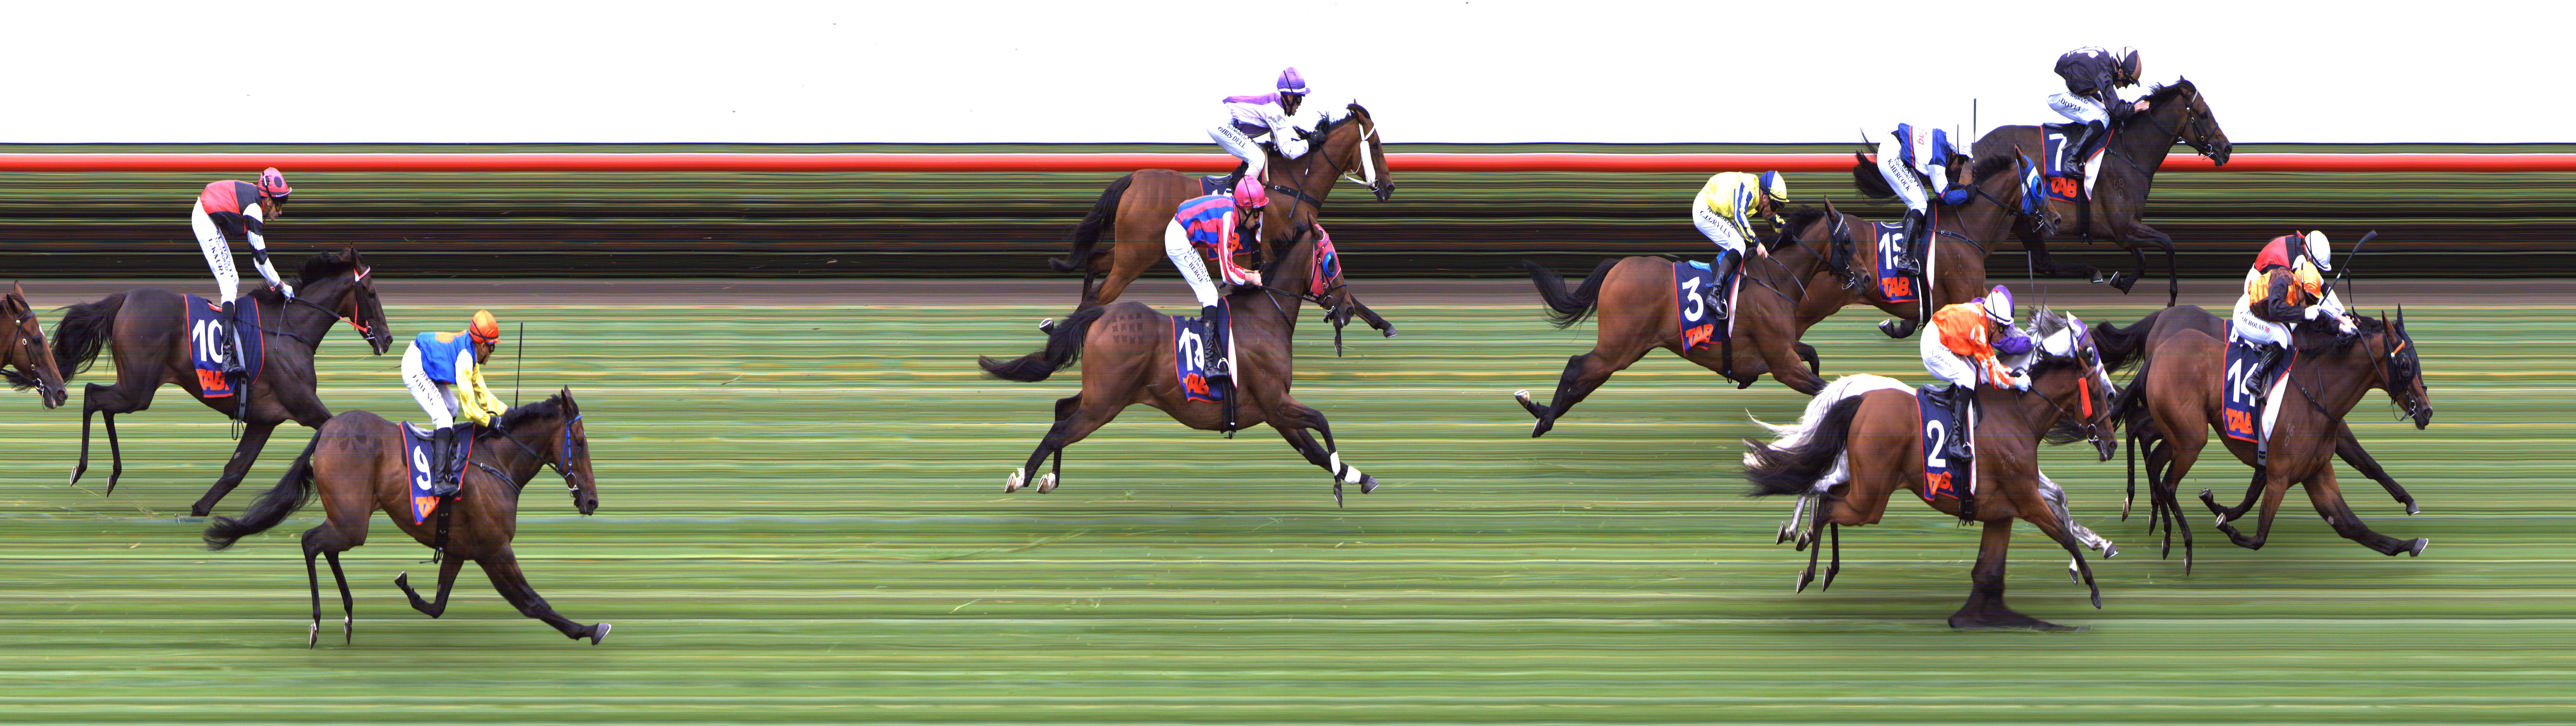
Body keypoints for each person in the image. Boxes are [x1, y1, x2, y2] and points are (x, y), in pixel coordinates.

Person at [1163, 178, 1269, 386]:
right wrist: (1251, 278)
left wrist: (1249, 273)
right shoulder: (1229, 218)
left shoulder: (1231, 209)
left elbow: (1230, 266)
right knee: (1210, 294)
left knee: (1209, 293)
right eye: (1258, 213)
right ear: (1247, 210)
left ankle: (1208, 354)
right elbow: (1228, 274)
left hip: (1181, 235)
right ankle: (1209, 365)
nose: (1258, 219)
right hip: (1178, 240)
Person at [191, 168, 294, 371]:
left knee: (234, 280)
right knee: (229, 285)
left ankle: (229, 350)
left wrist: (277, 283)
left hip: (207, 214)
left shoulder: (256, 204)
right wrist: (282, 286)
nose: (281, 212)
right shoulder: (254, 210)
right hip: (204, 217)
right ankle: (228, 357)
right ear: (269, 201)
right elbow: (260, 261)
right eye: (279, 205)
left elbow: (258, 258)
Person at [2232, 231, 2353, 401]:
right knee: (2282, 337)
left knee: (2288, 337)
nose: (2311, 303)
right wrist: (2304, 314)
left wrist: (2341, 320)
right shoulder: (2288, 275)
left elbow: (2321, 291)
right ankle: (2255, 378)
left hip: (2267, 300)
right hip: (2249, 307)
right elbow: (2278, 310)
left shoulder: (2301, 273)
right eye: (2310, 299)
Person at [400, 311, 508, 496]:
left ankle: (443, 456)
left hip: (425, 364)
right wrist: (491, 422)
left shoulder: (472, 356)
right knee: (444, 418)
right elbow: (471, 411)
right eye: (493, 348)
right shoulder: (466, 359)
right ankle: (439, 482)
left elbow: (484, 396)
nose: (492, 353)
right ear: (483, 346)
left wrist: (508, 414)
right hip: (415, 367)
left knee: (452, 407)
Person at [1921, 285, 2035, 460]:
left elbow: (1992, 360)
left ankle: (1955, 400)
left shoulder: (1984, 316)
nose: (2004, 335)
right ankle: (1954, 440)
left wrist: (2010, 372)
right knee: (1968, 377)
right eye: (2003, 329)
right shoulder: (1980, 332)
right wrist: (2016, 383)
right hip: (1933, 345)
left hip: (1940, 336)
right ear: (1994, 324)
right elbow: (1995, 379)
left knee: (1973, 372)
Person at [1689, 170, 1790, 317]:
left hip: (1720, 211)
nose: (1775, 212)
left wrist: (1792, 231)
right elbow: (1739, 217)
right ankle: (1714, 294)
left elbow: (1775, 221)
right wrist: (1757, 243)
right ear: (1765, 198)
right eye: (1775, 207)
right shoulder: (1749, 189)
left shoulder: (1759, 197)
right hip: (1705, 209)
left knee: (1741, 241)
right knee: (1739, 245)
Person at [1874, 123, 1960, 276]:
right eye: (1962, 161)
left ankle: (1906, 241)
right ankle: (1903, 258)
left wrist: (1962, 188)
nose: (1960, 167)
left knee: (1923, 201)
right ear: (1954, 153)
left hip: (1895, 151)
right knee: (1919, 204)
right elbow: (1944, 195)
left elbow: (1942, 182)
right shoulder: (1939, 155)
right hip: (1891, 154)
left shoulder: (1942, 146)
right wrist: (1966, 194)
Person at [2049, 47, 2149, 178]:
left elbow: (2087, 78)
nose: (2125, 86)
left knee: (2104, 110)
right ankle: (2072, 160)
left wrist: (2102, 102)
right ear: (2120, 72)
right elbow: (2117, 111)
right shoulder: (2105, 73)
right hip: (2059, 91)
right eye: (2127, 82)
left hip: (2064, 82)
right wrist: (2138, 107)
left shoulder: (2104, 61)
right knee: (2104, 118)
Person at [1209, 68, 1314, 193]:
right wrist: (1310, 143)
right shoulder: (1276, 112)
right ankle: (1243, 196)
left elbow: (1277, 142)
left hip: (1223, 119)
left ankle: (1237, 186)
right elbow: (1289, 151)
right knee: (1258, 158)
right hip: (1221, 122)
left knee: (1259, 155)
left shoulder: (1277, 106)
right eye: (1300, 99)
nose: (1300, 104)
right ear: (1290, 97)